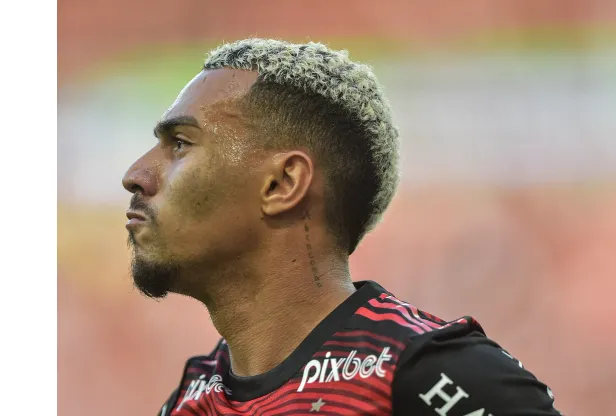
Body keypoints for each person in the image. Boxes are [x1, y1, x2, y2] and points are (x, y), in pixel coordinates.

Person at [122, 38, 561, 416]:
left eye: (180, 144)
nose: (136, 174)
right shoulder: (189, 400)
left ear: (282, 184)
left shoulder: (425, 374)